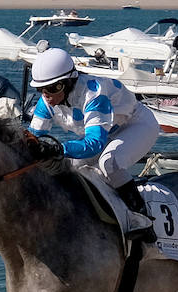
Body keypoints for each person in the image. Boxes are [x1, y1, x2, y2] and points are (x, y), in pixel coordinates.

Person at [26, 48, 160, 236]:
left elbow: (95, 144)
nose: (47, 95)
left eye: (53, 88)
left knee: (109, 162)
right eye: (41, 89)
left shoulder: (94, 93)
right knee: (66, 168)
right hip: (105, 132)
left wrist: (58, 148)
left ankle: (141, 219)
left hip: (136, 125)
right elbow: (32, 138)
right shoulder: (45, 102)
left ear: (69, 82)